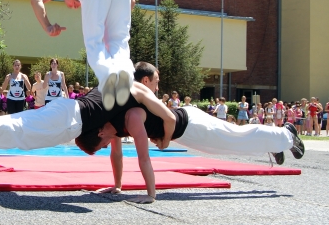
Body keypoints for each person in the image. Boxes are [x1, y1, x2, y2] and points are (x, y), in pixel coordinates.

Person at [74, 63, 305, 203]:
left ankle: (286, 135)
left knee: (236, 139)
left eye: (100, 145)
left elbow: (144, 157)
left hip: (192, 125)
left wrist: (151, 194)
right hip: (187, 128)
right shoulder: (111, 125)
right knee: (235, 140)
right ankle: (276, 142)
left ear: (101, 131)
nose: (105, 147)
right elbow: (117, 156)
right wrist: (118, 186)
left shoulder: (129, 117)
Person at [0, 64, 176, 153]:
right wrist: (164, 141)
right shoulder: (140, 91)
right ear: (145, 80)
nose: (157, 87)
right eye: (156, 82)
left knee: (16, 124)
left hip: (66, 109)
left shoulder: (114, 81)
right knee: (18, 132)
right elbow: (169, 117)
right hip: (70, 120)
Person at [31, 0, 136, 111]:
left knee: (94, 40)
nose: (75, 7)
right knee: (118, 40)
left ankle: (108, 77)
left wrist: (47, 26)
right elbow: (130, 2)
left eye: (71, 5)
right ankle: (124, 75)